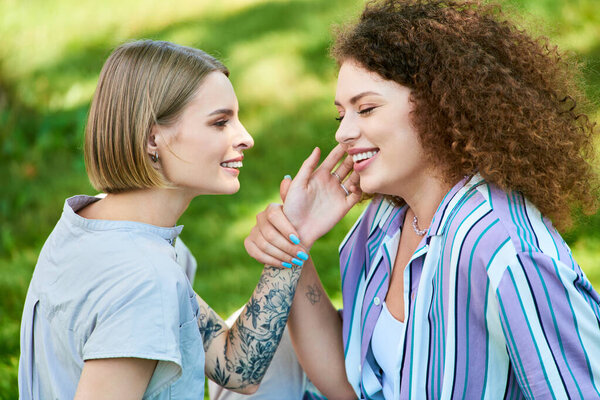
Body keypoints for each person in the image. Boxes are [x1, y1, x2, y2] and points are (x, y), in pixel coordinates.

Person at [244, 0, 600, 398]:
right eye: (340, 114)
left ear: (438, 104)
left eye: (366, 109)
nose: (343, 132)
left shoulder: (505, 252)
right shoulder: (386, 220)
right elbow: (350, 386)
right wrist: (295, 246)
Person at [18, 39, 311, 399]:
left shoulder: (89, 222)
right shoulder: (143, 279)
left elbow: (237, 368)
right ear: (152, 138)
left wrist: (295, 233)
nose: (246, 138)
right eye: (220, 122)